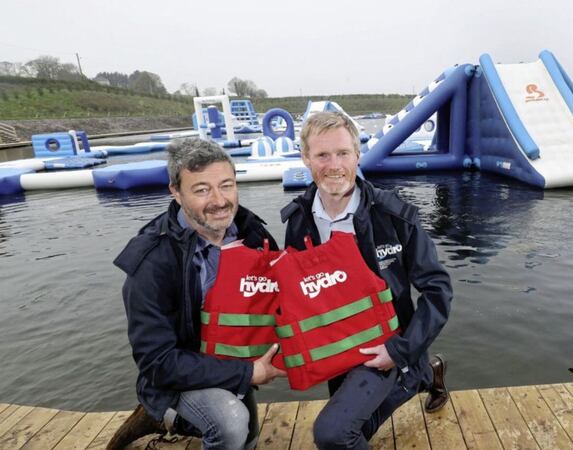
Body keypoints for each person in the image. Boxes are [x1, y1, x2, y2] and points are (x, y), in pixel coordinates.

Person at [281, 111, 452, 449]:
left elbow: (438, 289)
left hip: (389, 345)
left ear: (357, 155)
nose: (334, 164)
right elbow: (301, 297)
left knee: (333, 434)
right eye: (322, 155)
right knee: (349, 433)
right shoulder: (298, 222)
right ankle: (425, 374)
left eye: (343, 153)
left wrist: (400, 350)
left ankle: (415, 368)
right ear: (305, 158)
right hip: (339, 349)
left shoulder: (395, 215)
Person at [109, 138, 286, 450]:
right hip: (173, 380)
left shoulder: (252, 233)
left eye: (227, 185)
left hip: (232, 361)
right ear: (175, 192)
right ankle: (161, 413)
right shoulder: (151, 261)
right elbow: (156, 362)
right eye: (202, 190)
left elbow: (278, 300)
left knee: (250, 440)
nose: (219, 200)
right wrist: (248, 372)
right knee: (231, 425)